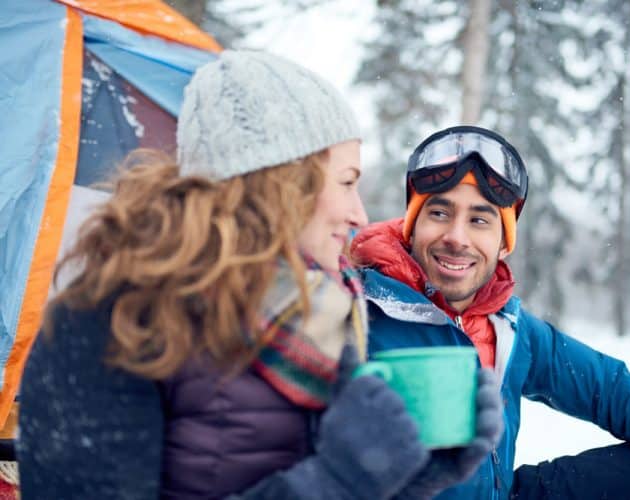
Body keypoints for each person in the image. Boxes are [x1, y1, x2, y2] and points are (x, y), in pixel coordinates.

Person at [17, 53, 503, 499]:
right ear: (280, 184)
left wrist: (409, 477)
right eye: (347, 182)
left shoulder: (317, 319)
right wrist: (340, 481)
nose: (360, 214)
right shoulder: (107, 323)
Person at [350, 125, 630, 499]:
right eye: (439, 213)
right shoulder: (355, 310)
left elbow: (617, 391)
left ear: (504, 243)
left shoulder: (507, 326)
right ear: (411, 226)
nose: (457, 237)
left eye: (479, 220)